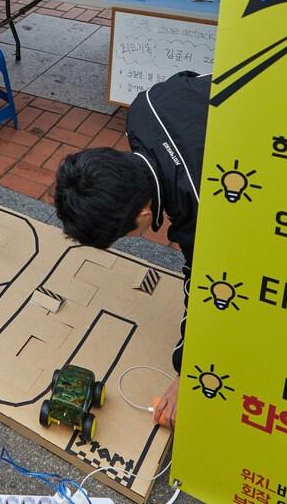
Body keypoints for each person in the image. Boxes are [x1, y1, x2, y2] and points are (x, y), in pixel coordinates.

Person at [54, 70, 209, 429]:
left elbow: (206, 287)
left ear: (143, 213)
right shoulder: (145, 107)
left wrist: (188, 375)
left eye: (127, 234)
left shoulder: (199, 206)